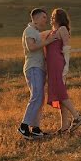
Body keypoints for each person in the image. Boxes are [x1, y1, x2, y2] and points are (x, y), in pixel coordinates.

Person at [45, 8, 81, 134]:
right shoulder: (52, 31)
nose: (51, 18)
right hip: (51, 65)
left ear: (59, 18)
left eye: (54, 16)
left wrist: (66, 66)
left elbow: (67, 48)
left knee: (60, 91)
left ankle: (77, 116)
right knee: (59, 93)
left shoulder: (62, 29)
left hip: (58, 64)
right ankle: (64, 126)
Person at [19, 8, 55, 138]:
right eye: (44, 17)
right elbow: (32, 47)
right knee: (37, 96)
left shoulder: (35, 32)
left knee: (40, 98)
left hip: (39, 68)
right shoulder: (28, 31)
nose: (46, 20)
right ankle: (24, 126)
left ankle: (35, 128)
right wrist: (49, 41)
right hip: (33, 67)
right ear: (37, 18)